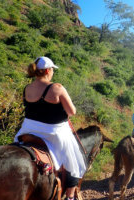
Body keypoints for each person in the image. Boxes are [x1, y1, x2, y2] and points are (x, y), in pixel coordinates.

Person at [14, 56, 86, 200]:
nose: (52, 72)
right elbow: (72, 112)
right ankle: (70, 196)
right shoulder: (56, 88)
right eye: (52, 69)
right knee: (73, 158)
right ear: (47, 70)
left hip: (28, 130)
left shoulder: (27, 88)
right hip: (53, 132)